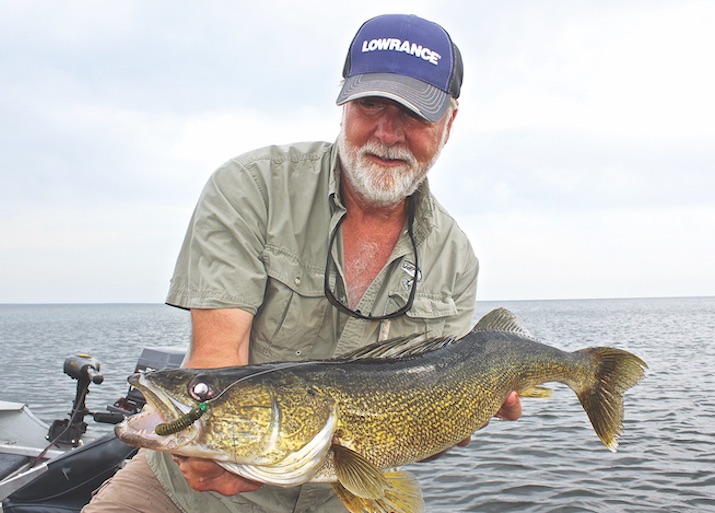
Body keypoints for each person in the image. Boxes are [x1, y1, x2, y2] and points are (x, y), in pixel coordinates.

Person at [83, 13, 521, 513]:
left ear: (450, 123)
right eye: (371, 103)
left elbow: (427, 430)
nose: (388, 131)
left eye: (414, 113)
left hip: (353, 494)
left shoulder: (455, 258)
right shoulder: (250, 188)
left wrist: (468, 412)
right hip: (186, 494)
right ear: (344, 102)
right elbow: (217, 359)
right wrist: (203, 443)